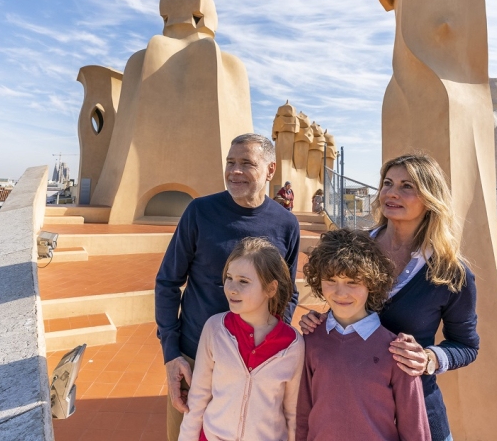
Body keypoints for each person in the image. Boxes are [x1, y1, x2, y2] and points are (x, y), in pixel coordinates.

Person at [300, 154, 479, 441]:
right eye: (387, 183)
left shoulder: (451, 272)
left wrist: (429, 358)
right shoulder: (355, 246)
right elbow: (345, 302)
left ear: (430, 198)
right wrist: (322, 320)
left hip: (421, 418)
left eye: (407, 186)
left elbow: (467, 345)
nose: (392, 193)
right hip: (355, 417)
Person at [156, 133, 302, 441]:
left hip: (257, 366)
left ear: (270, 170)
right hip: (194, 357)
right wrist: (172, 353)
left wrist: (273, 341)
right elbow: (168, 281)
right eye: (230, 162)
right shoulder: (199, 212)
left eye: (246, 163)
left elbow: (287, 292)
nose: (234, 171)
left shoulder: (286, 224)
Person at [297, 228, 429, 441]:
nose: (341, 293)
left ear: (372, 282)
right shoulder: (310, 340)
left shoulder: (397, 350)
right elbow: (303, 414)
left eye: (352, 282)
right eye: (331, 280)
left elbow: (415, 429)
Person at [179, 237, 304, 441]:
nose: (231, 288)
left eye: (244, 281)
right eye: (229, 277)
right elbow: (198, 398)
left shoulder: (293, 345)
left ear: (271, 289)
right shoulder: (215, 329)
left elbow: (293, 413)